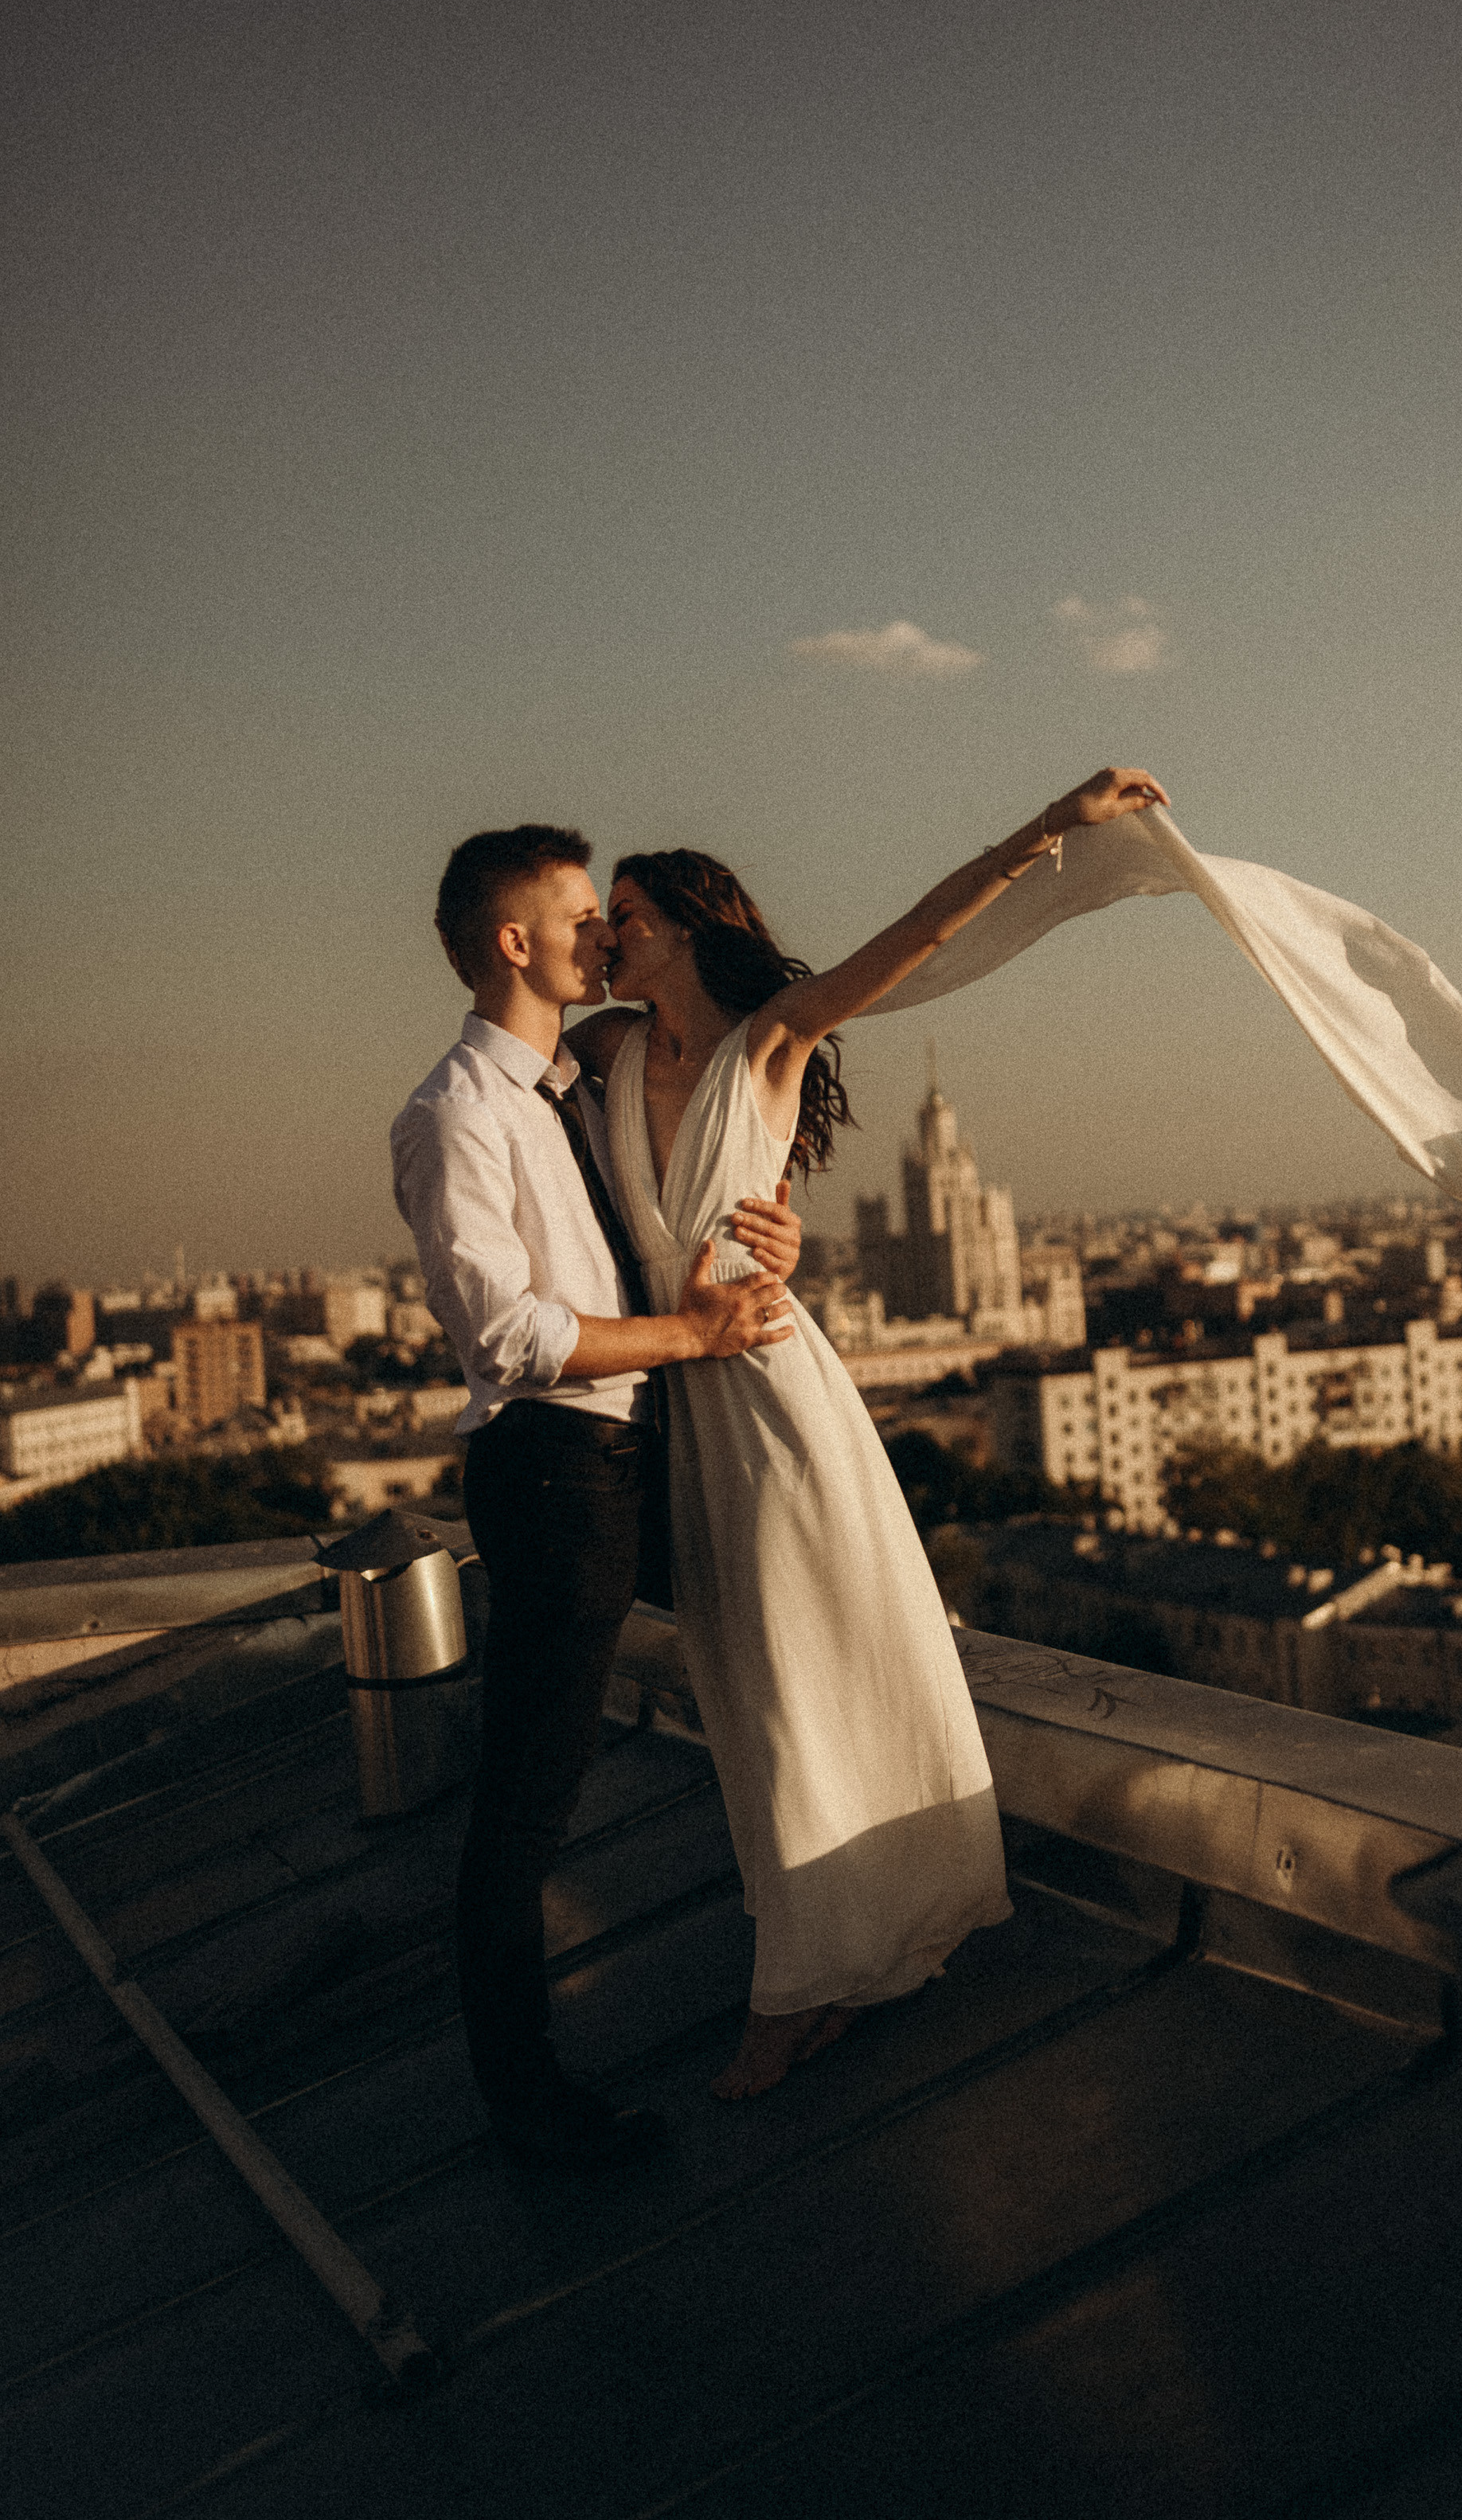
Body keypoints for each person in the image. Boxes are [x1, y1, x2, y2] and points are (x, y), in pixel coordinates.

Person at [569, 768, 1169, 2096]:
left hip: (775, 1396)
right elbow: (507, 1024)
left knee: (804, 1673)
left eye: (625, 916)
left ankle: (796, 1990)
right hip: (684, 1393)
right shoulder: (605, 1054)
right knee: (746, 1687)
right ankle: (840, 1949)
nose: (608, 938)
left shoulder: (769, 1037)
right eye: (599, 921)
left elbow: (913, 942)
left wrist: (1042, 832)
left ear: (685, 923)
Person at [391, 822, 804, 2168]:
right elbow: (507, 1336)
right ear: (516, 942)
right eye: (579, 915)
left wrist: (759, 1234)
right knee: (527, 1803)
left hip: (639, 1450)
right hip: (559, 1471)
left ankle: (827, 1957)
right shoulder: (454, 1112)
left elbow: (664, 1222)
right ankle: (526, 2106)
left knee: (782, 1651)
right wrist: (694, 1340)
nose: (602, 936)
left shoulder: (581, 1083)